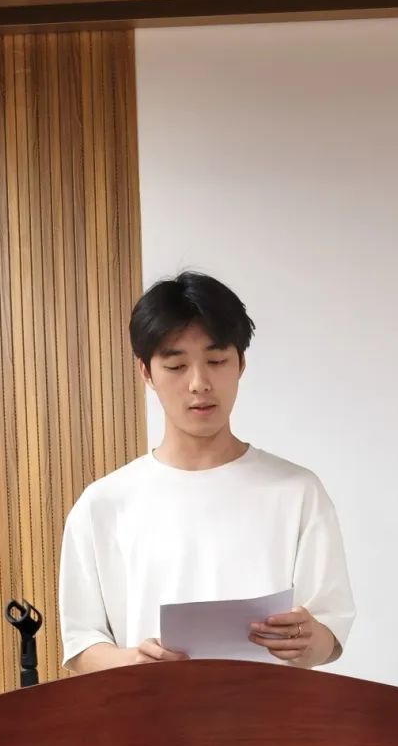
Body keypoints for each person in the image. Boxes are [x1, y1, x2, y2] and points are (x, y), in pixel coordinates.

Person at [58, 272, 355, 672]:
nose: (199, 383)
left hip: (269, 710)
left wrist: (308, 640)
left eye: (216, 361)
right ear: (146, 372)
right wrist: (134, 662)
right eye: (176, 365)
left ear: (240, 364)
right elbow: (81, 645)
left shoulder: (297, 491)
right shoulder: (104, 503)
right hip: (148, 710)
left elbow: (329, 635)